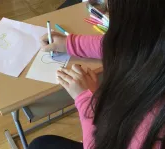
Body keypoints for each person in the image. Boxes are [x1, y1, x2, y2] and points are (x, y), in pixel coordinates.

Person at [28, 0, 165, 149]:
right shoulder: (153, 48)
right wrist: (69, 43)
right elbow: (128, 46)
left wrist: (87, 100)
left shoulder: (152, 126)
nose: (105, 8)